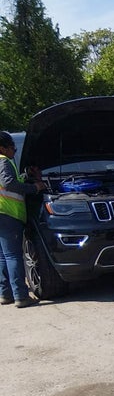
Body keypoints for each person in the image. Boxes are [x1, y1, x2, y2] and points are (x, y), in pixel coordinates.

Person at [0, 130, 46, 308]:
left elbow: (12, 180)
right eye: (13, 149)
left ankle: (6, 294)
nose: (14, 152)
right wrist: (35, 187)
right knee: (13, 256)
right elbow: (9, 183)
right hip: (8, 213)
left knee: (3, 256)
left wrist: (27, 176)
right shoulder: (3, 161)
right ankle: (21, 296)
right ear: (3, 148)